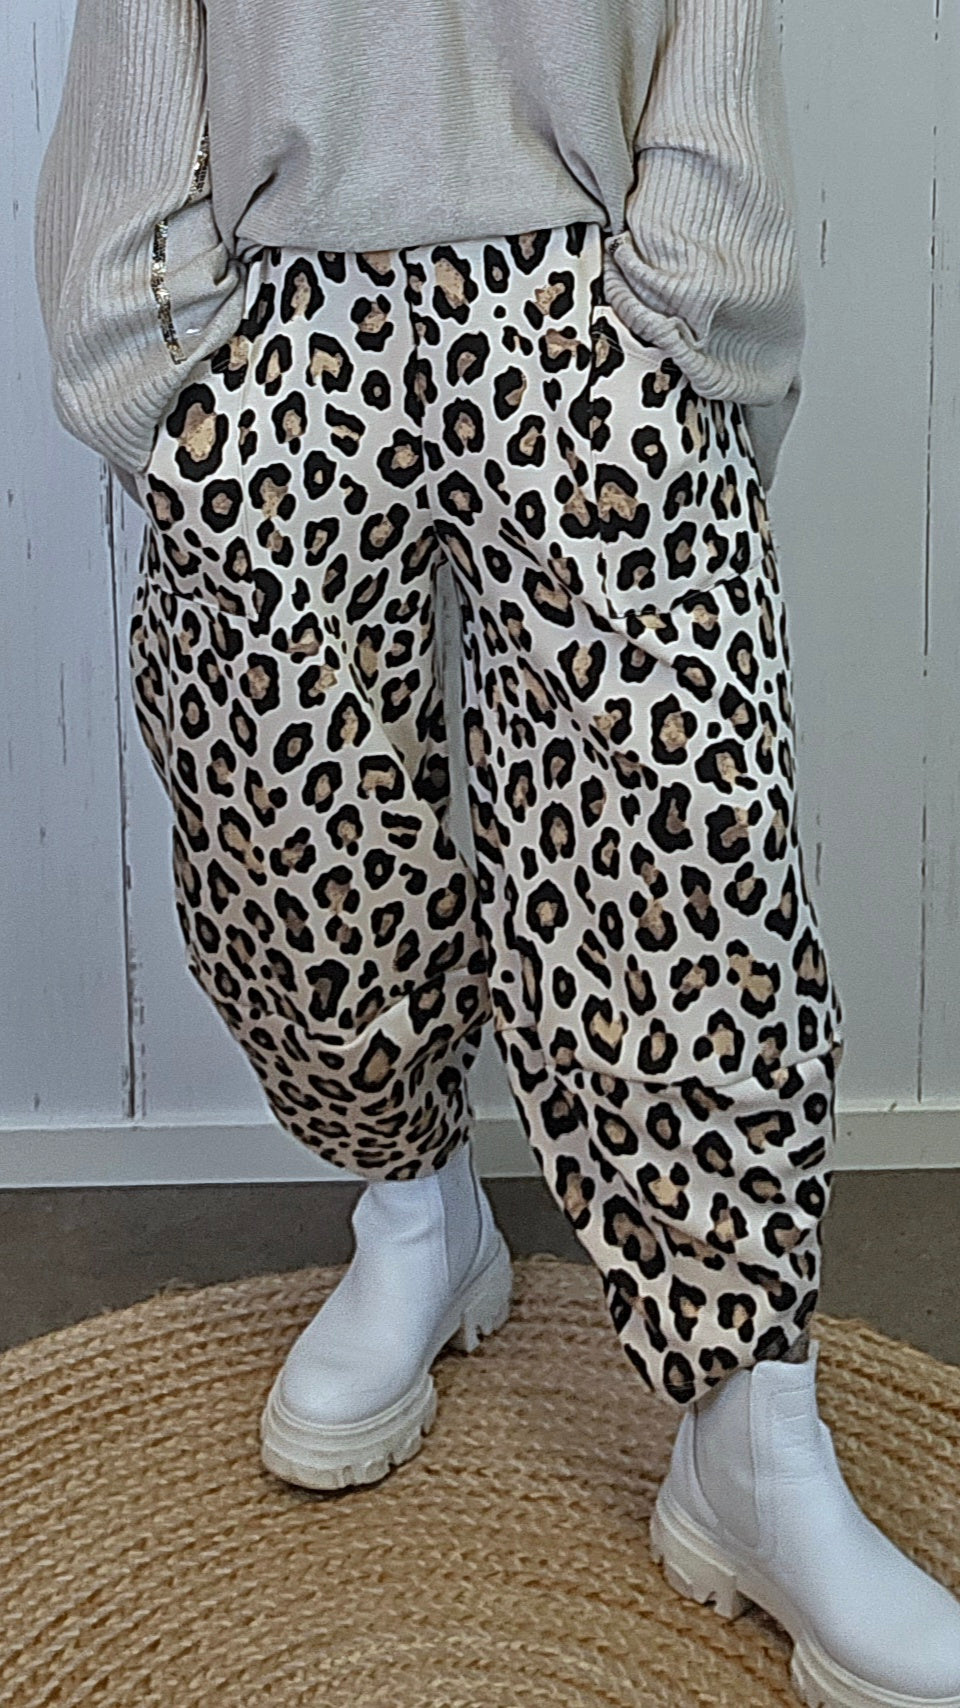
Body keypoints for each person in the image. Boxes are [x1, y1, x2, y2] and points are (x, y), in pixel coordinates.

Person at [33, 1, 960, 1701]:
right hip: (276, 297)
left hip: (586, 280)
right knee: (288, 832)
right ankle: (416, 1215)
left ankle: (752, 1432)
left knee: (686, 848)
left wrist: (694, 275)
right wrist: (144, 329)